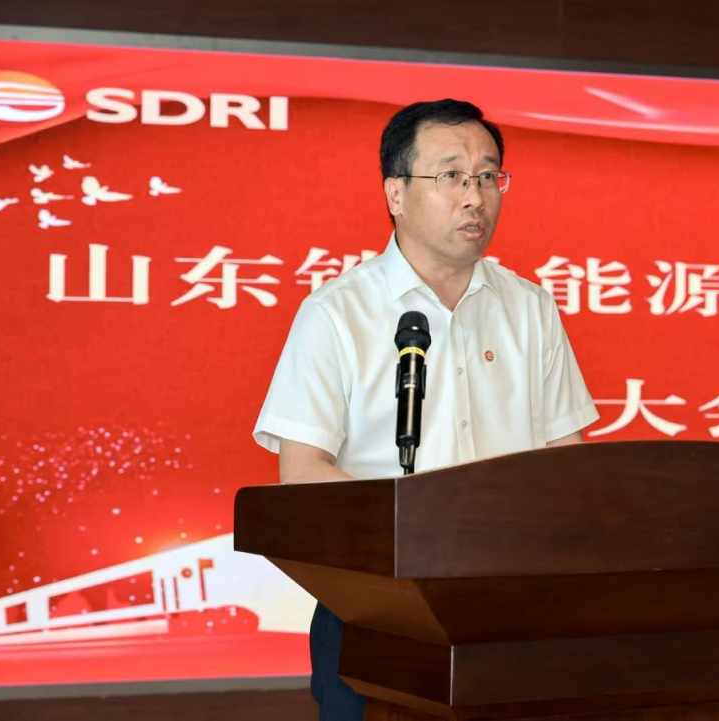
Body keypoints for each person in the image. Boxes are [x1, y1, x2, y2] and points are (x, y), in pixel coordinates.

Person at [252, 99, 599, 721]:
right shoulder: (337, 313)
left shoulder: (530, 308)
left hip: (510, 608)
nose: (475, 196)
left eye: (488, 176)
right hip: (374, 608)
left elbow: (566, 463)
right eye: (452, 176)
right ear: (396, 192)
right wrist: (416, 529)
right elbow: (302, 472)